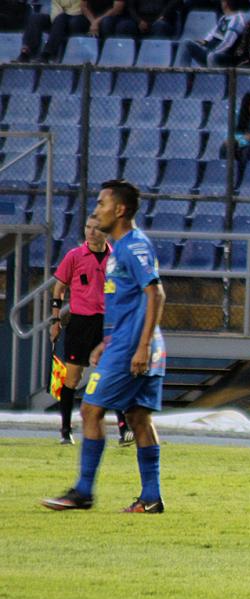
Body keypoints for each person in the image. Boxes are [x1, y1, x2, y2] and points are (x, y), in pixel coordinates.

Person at [41, 179, 168, 513]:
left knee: (90, 410)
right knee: (139, 418)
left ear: (120, 209)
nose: (96, 211)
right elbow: (128, 304)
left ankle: (83, 491)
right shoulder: (119, 249)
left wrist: (139, 347)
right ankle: (151, 498)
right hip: (125, 343)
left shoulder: (133, 246)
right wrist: (106, 342)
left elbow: (156, 293)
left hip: (133, 348)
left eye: (101, 204)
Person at [50, 216, 132, 447]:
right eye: (88, 227)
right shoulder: (74, 256)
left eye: (97, 228)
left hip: (106, 324)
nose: (92, 232)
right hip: (80, 324)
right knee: (72, 377)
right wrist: (55, 320)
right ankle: (65, 429)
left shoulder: (116, 258)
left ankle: (123, 427)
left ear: (106, 231)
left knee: (112, 373)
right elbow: (59, 287)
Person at [179, 0, 248, 67]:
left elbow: (227, 43)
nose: (221, 3)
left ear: (226, 3)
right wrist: (204, 42)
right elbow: (212, 34)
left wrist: (214, 52)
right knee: (187, 43)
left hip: (225, 56)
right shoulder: (224, 18)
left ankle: (212, 78)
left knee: (211, 57)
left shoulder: (237, 19)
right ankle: (183, 74)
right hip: (211, 53)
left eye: (222, 1)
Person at [17, 0, 83, 63]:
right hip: (57, 17)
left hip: (77, 18)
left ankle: (47, 53)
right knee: (35, 17)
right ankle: (27, 52)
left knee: (60, 18)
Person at [115, 0, 180, 37]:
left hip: (162, 19)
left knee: (160, 26)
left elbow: (174, 3)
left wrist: (163, 16)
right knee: (124, 26)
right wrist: (139, 21)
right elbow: (130, 7)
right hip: (140, 20)